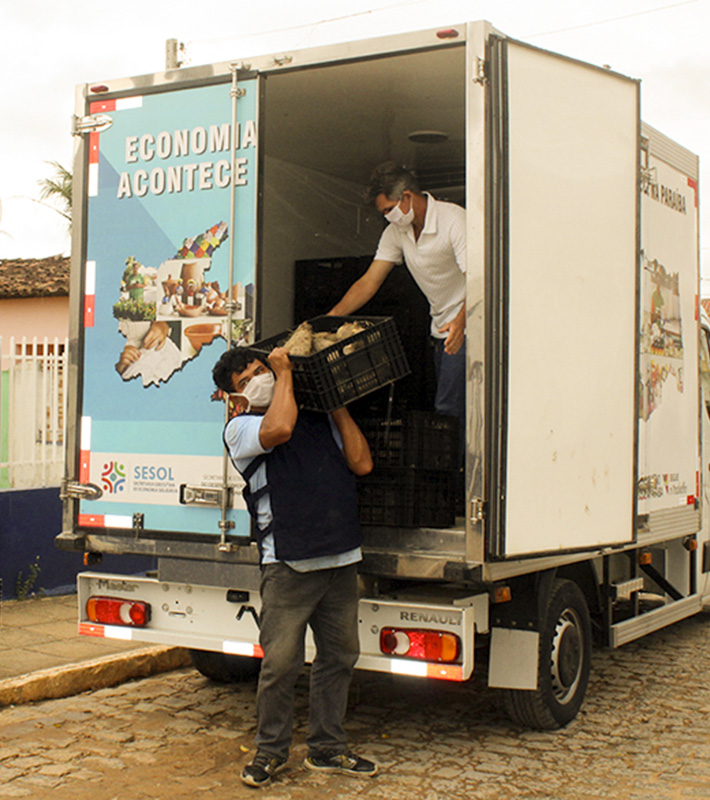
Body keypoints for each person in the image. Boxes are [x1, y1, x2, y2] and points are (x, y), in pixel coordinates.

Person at [212, 345, 378, 788]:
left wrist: (337, 404)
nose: (258, 379)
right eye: (246, 380)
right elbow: (280, 427)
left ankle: (327, 748)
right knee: (281, 665)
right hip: (288, 563)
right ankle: (270, 752)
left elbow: (361, 462)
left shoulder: (319, 419)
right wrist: (283, 373)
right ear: (237, 397)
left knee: (339, 657)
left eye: (259, 369)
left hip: (341, 557)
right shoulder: (241, 428)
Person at [329, 162, 467, 418]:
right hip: (440, 329)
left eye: (389, 209)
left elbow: (480, 279)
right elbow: (369, 282)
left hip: (466, 326)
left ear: (407, 197)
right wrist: (330, 319)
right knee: (450, 408)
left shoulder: (454, 220)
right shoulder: (396, 232)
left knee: (448, 410)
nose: (387, 217)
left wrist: (461, 321)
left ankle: (458, 460)